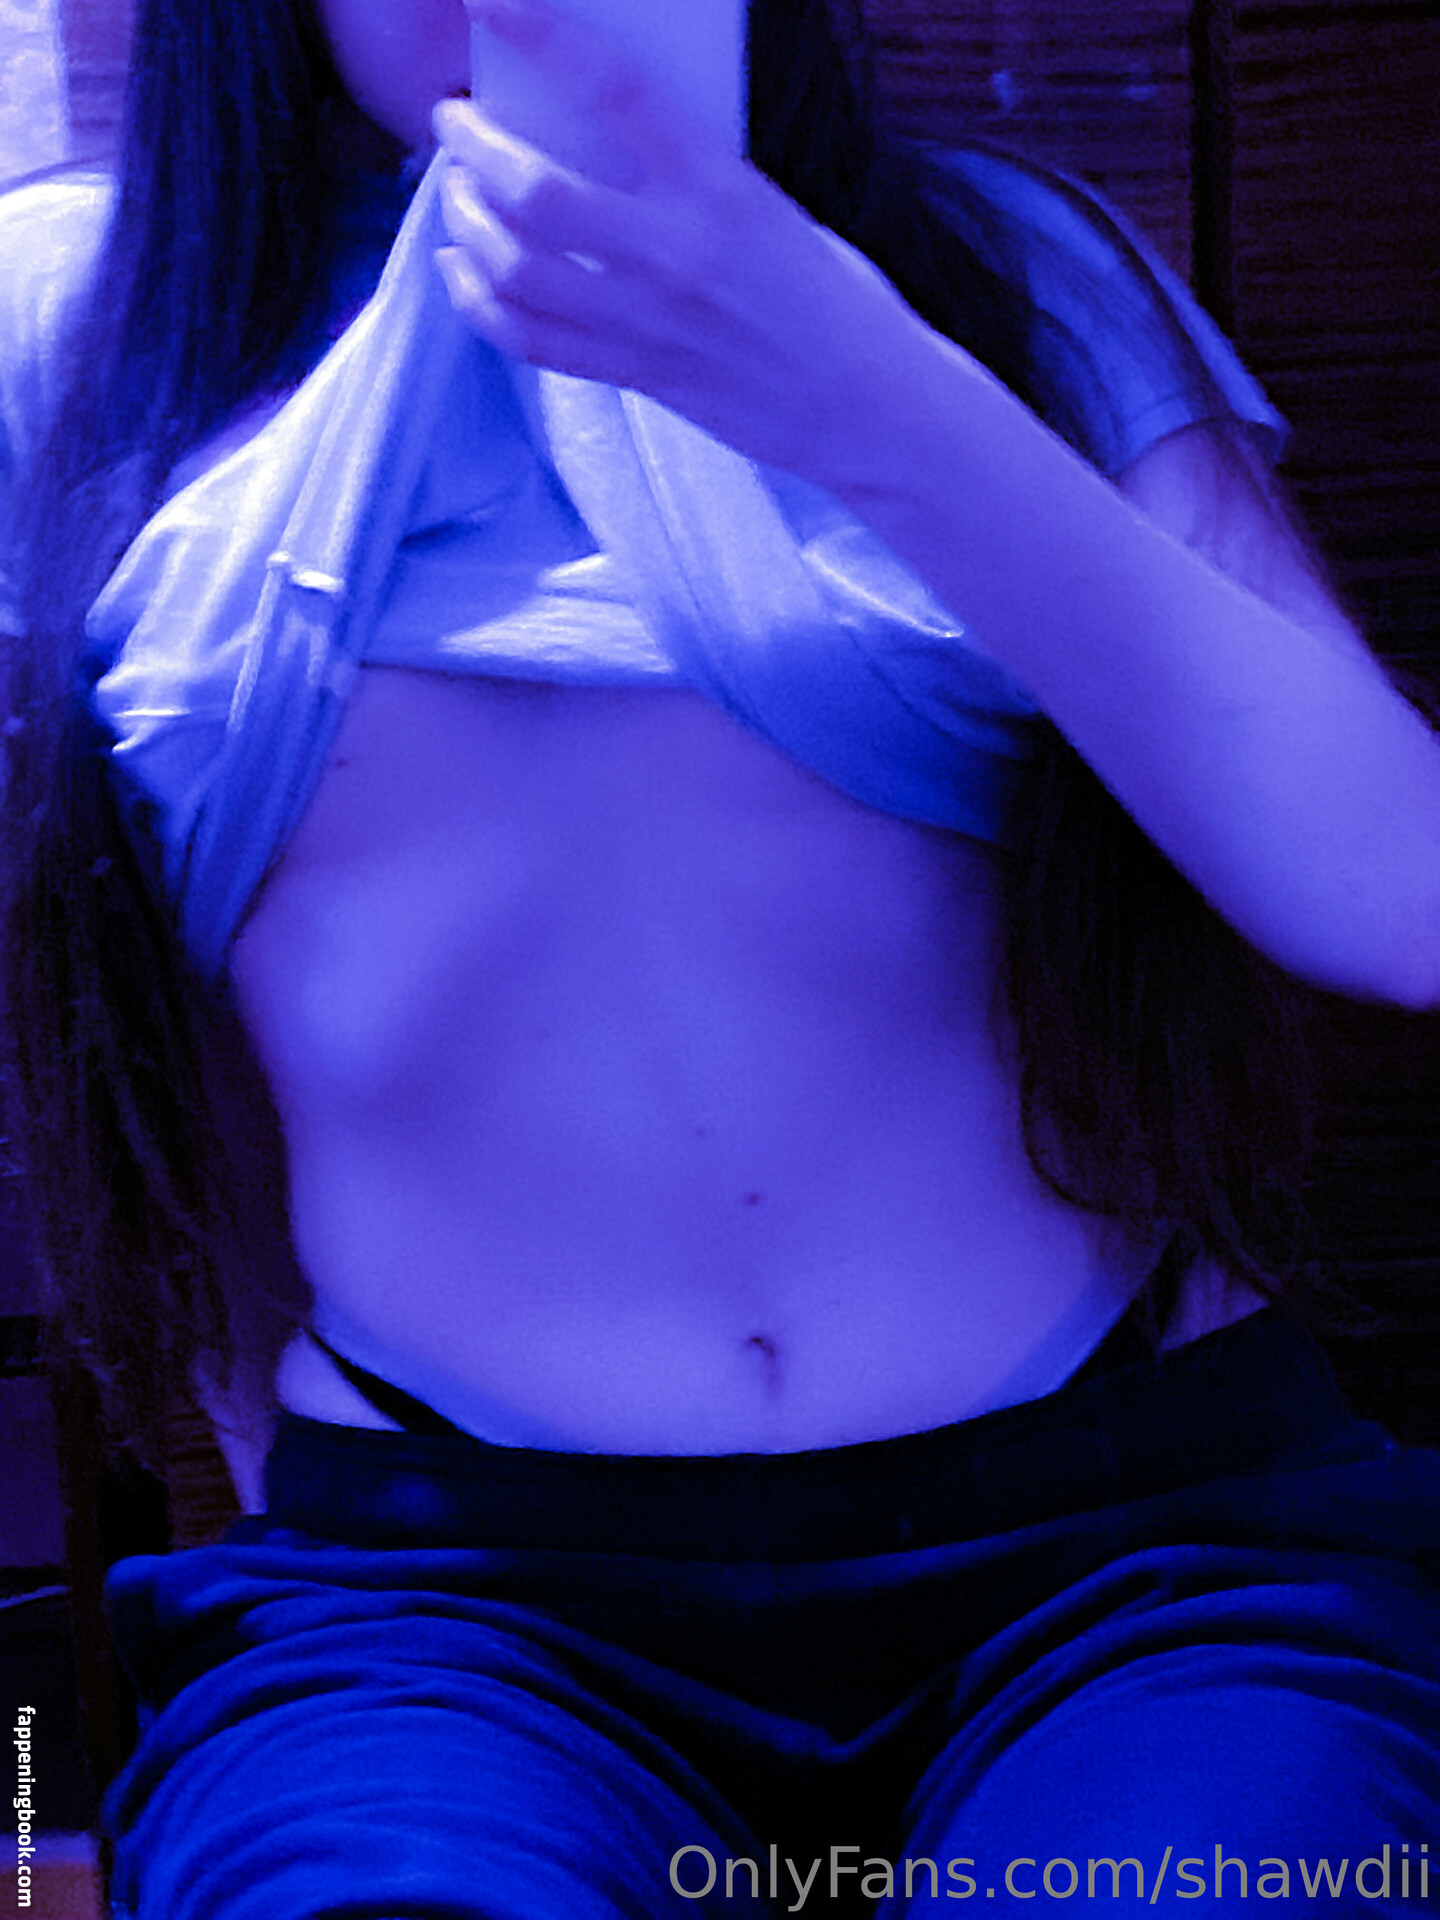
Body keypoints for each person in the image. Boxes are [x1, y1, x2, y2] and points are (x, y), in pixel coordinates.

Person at [3, 0, 1439, 1912]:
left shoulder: (999, 268)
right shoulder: (77, 324)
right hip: (448, 1605)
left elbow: (1398, 890)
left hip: (1139, 1555)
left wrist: (858, 382)